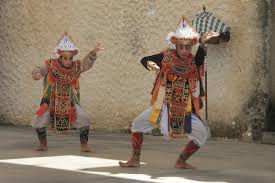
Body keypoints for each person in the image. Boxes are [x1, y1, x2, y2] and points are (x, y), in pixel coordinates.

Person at [119, 16, 219, 169]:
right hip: (163, 106)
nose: (184, 50)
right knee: (137, 125)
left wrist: (203, 43)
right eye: (181, 47)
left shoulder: (193, 61)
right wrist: (150, 64)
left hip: (185, 109)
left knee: (201, 135)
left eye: (187, 47)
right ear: (175, 45)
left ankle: (181, 161)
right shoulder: (166, 57)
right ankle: (135, 159)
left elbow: (199, 59)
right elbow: (145, 59)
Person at [31, 32, 104, 152]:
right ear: (60, 56)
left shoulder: (76, 66)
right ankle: (43, 145)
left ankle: (84, 145)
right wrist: (37, 74)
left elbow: (85, 63)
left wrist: (93, 53)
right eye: (65, 58)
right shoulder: (50, 64)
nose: (69, 61)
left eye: (70, 58)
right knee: (38, 121)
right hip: (51, 100)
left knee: (84, 119)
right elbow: (39, 70)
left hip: (69, 101)